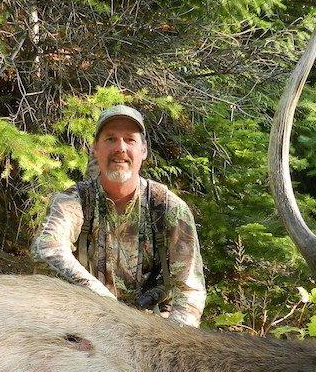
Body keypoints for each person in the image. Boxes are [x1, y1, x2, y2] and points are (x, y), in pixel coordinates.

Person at [32, 105, 206, 326]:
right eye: (111, 139)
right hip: (86, 322)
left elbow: (189, 290)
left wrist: (172, 342)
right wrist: (100, 296)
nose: (120, 148)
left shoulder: (168, 208)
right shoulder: (74, 202)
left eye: (130, 140)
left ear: (143, 150)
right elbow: (47, 247)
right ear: (96, 148)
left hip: (152, 328)